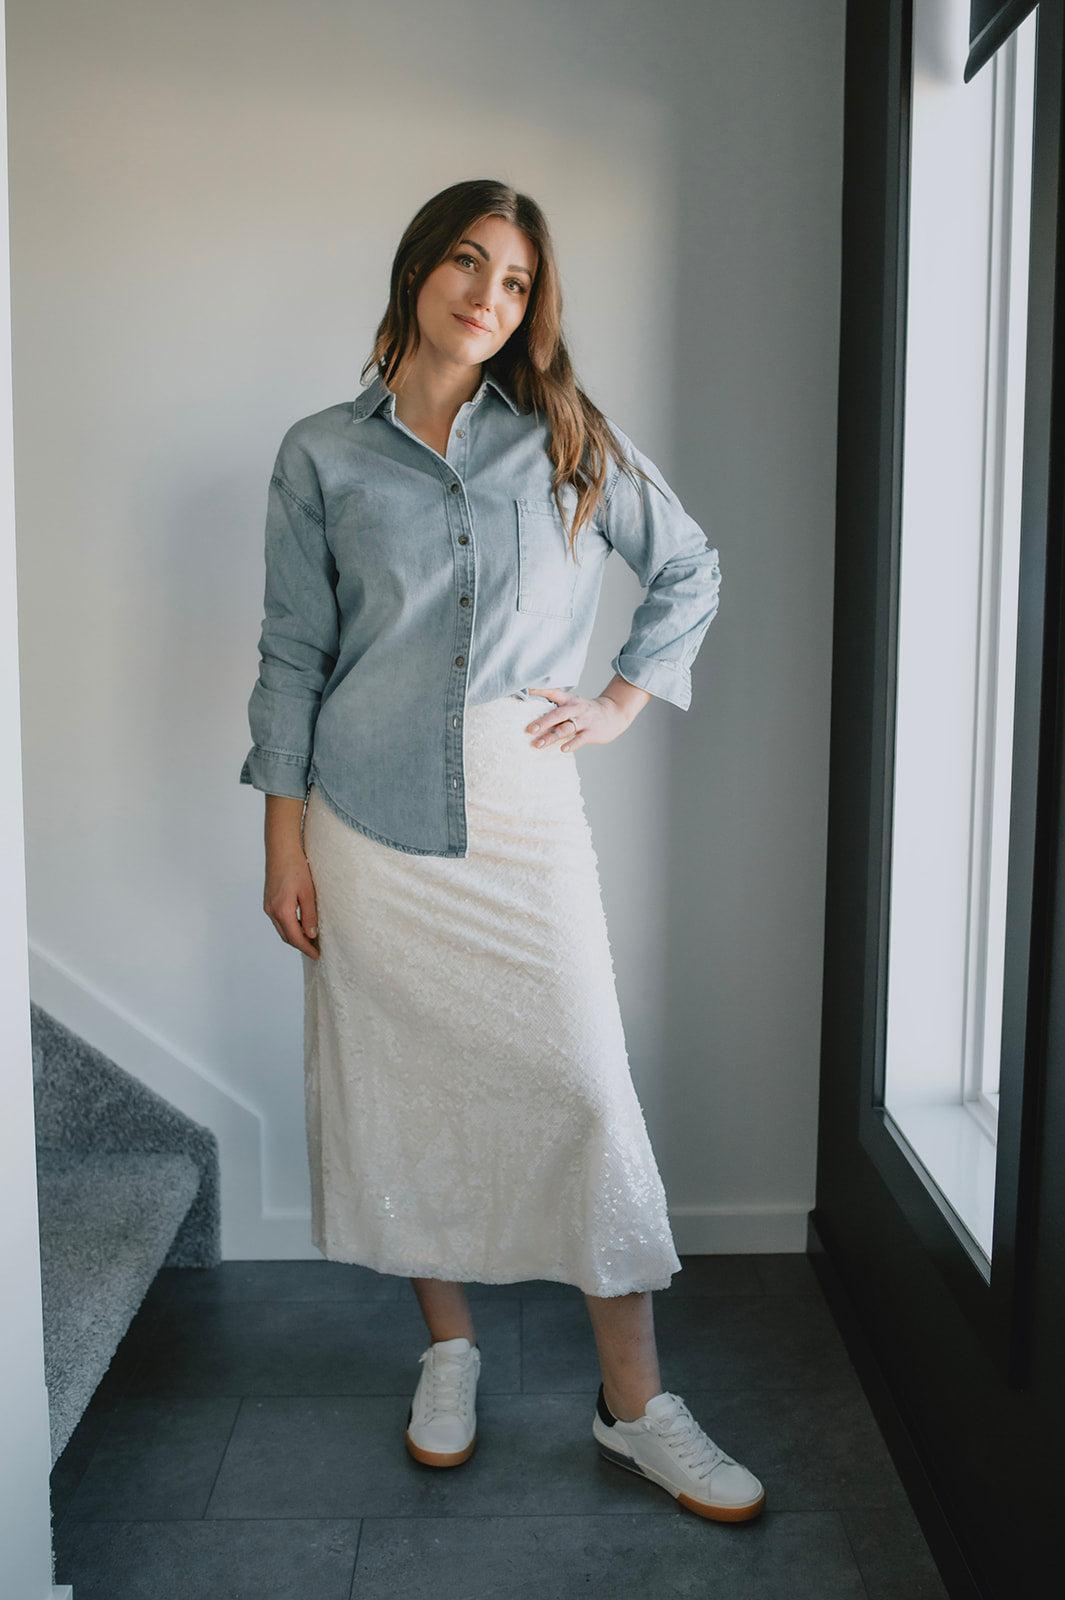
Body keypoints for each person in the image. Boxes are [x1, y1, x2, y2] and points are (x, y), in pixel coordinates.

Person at [240, 177, 765, 1523]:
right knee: (402, 1094)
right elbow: (294, 656)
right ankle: (450, 1351)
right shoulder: (322, 454)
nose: (488, 294)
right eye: (468, 262)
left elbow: (688, 565)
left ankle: (636, 1409)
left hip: (521, 811)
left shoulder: (566, 436)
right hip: (364, 822)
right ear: (420, 268)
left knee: (587, 1095)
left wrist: (621, 700)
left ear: (533, 306)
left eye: (516, 280)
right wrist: (283, 842)